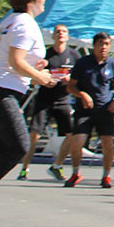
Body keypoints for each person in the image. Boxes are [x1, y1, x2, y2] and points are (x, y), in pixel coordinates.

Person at [0, 0, 58, 214]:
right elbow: (15, 62)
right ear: (32, 0)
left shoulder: (11, 21)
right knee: (19, 146)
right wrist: (40, 76)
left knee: (3, 146)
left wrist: (35, 65)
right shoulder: (25, 24)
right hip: (1, 91)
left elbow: (1, 58)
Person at [61, 31, 114, 188]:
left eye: (106, 44)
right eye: (100, 44)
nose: (103, 47)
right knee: (77, 142)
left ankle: (106, 176)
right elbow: (70, 86)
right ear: (94, 45)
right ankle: (76, 173)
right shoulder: (83, 63)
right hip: (85, 109)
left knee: (108, 144)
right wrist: (82, 94)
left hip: (105, 110)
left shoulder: (113, 64)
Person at [18, 22, 79, 181]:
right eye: (57, 32)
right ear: (53, 36)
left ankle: (57, 166)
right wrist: (42, 76)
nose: (60, 34)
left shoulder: (73, 56)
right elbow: (33, 76)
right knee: (34, 135)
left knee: (72, 135)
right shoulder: (45, 53)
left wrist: (70, 79)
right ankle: (24, 168)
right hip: (44, 99)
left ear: (67, 36)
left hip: (63, 99)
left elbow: (79, 78)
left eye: (63, 31)